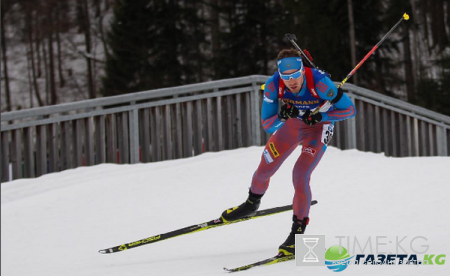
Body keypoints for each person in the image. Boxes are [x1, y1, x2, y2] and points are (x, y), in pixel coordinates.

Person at [221, 49, 356, 256]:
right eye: (286, 77)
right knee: (264, 168)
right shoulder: (274, 85)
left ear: (303, 70)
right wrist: (283, 115)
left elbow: (348, 110)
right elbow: (267, 124)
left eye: (295, 75)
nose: (291, 81)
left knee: (300, 174)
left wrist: (321, 117)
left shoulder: (319, 83)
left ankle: (297, 236)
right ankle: (250, 204)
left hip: (319, 127)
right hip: (293, 124)